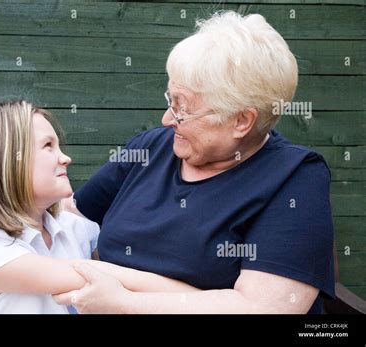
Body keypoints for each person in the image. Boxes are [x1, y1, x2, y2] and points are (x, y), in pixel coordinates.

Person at [55, 11, 335, 314]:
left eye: (182, 108)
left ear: (241, 120)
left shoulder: (295, 178)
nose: (166, 120)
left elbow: (265, 309)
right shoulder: (151, 148)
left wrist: (124, 301)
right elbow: (71, 214)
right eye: (170, 101)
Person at [0, 100, 197, 314]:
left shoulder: (70, 228)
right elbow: (107, 277)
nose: (66, 158)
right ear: (5, 162)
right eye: (48, 147)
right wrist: (203, 299)